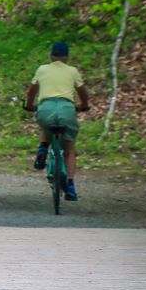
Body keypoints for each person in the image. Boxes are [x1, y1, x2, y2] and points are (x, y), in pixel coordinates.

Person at [24, 41, 91, 201]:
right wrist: (84, 105)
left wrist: (29, 105)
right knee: (69, 150)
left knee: (45, 127)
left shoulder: (42, 69)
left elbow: (32, 90)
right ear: (67, 57)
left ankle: (42, 149)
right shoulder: (72, 71)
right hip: (67, 109)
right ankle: (70, 185)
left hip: (45, 108)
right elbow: (82, 92)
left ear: (51, 56)